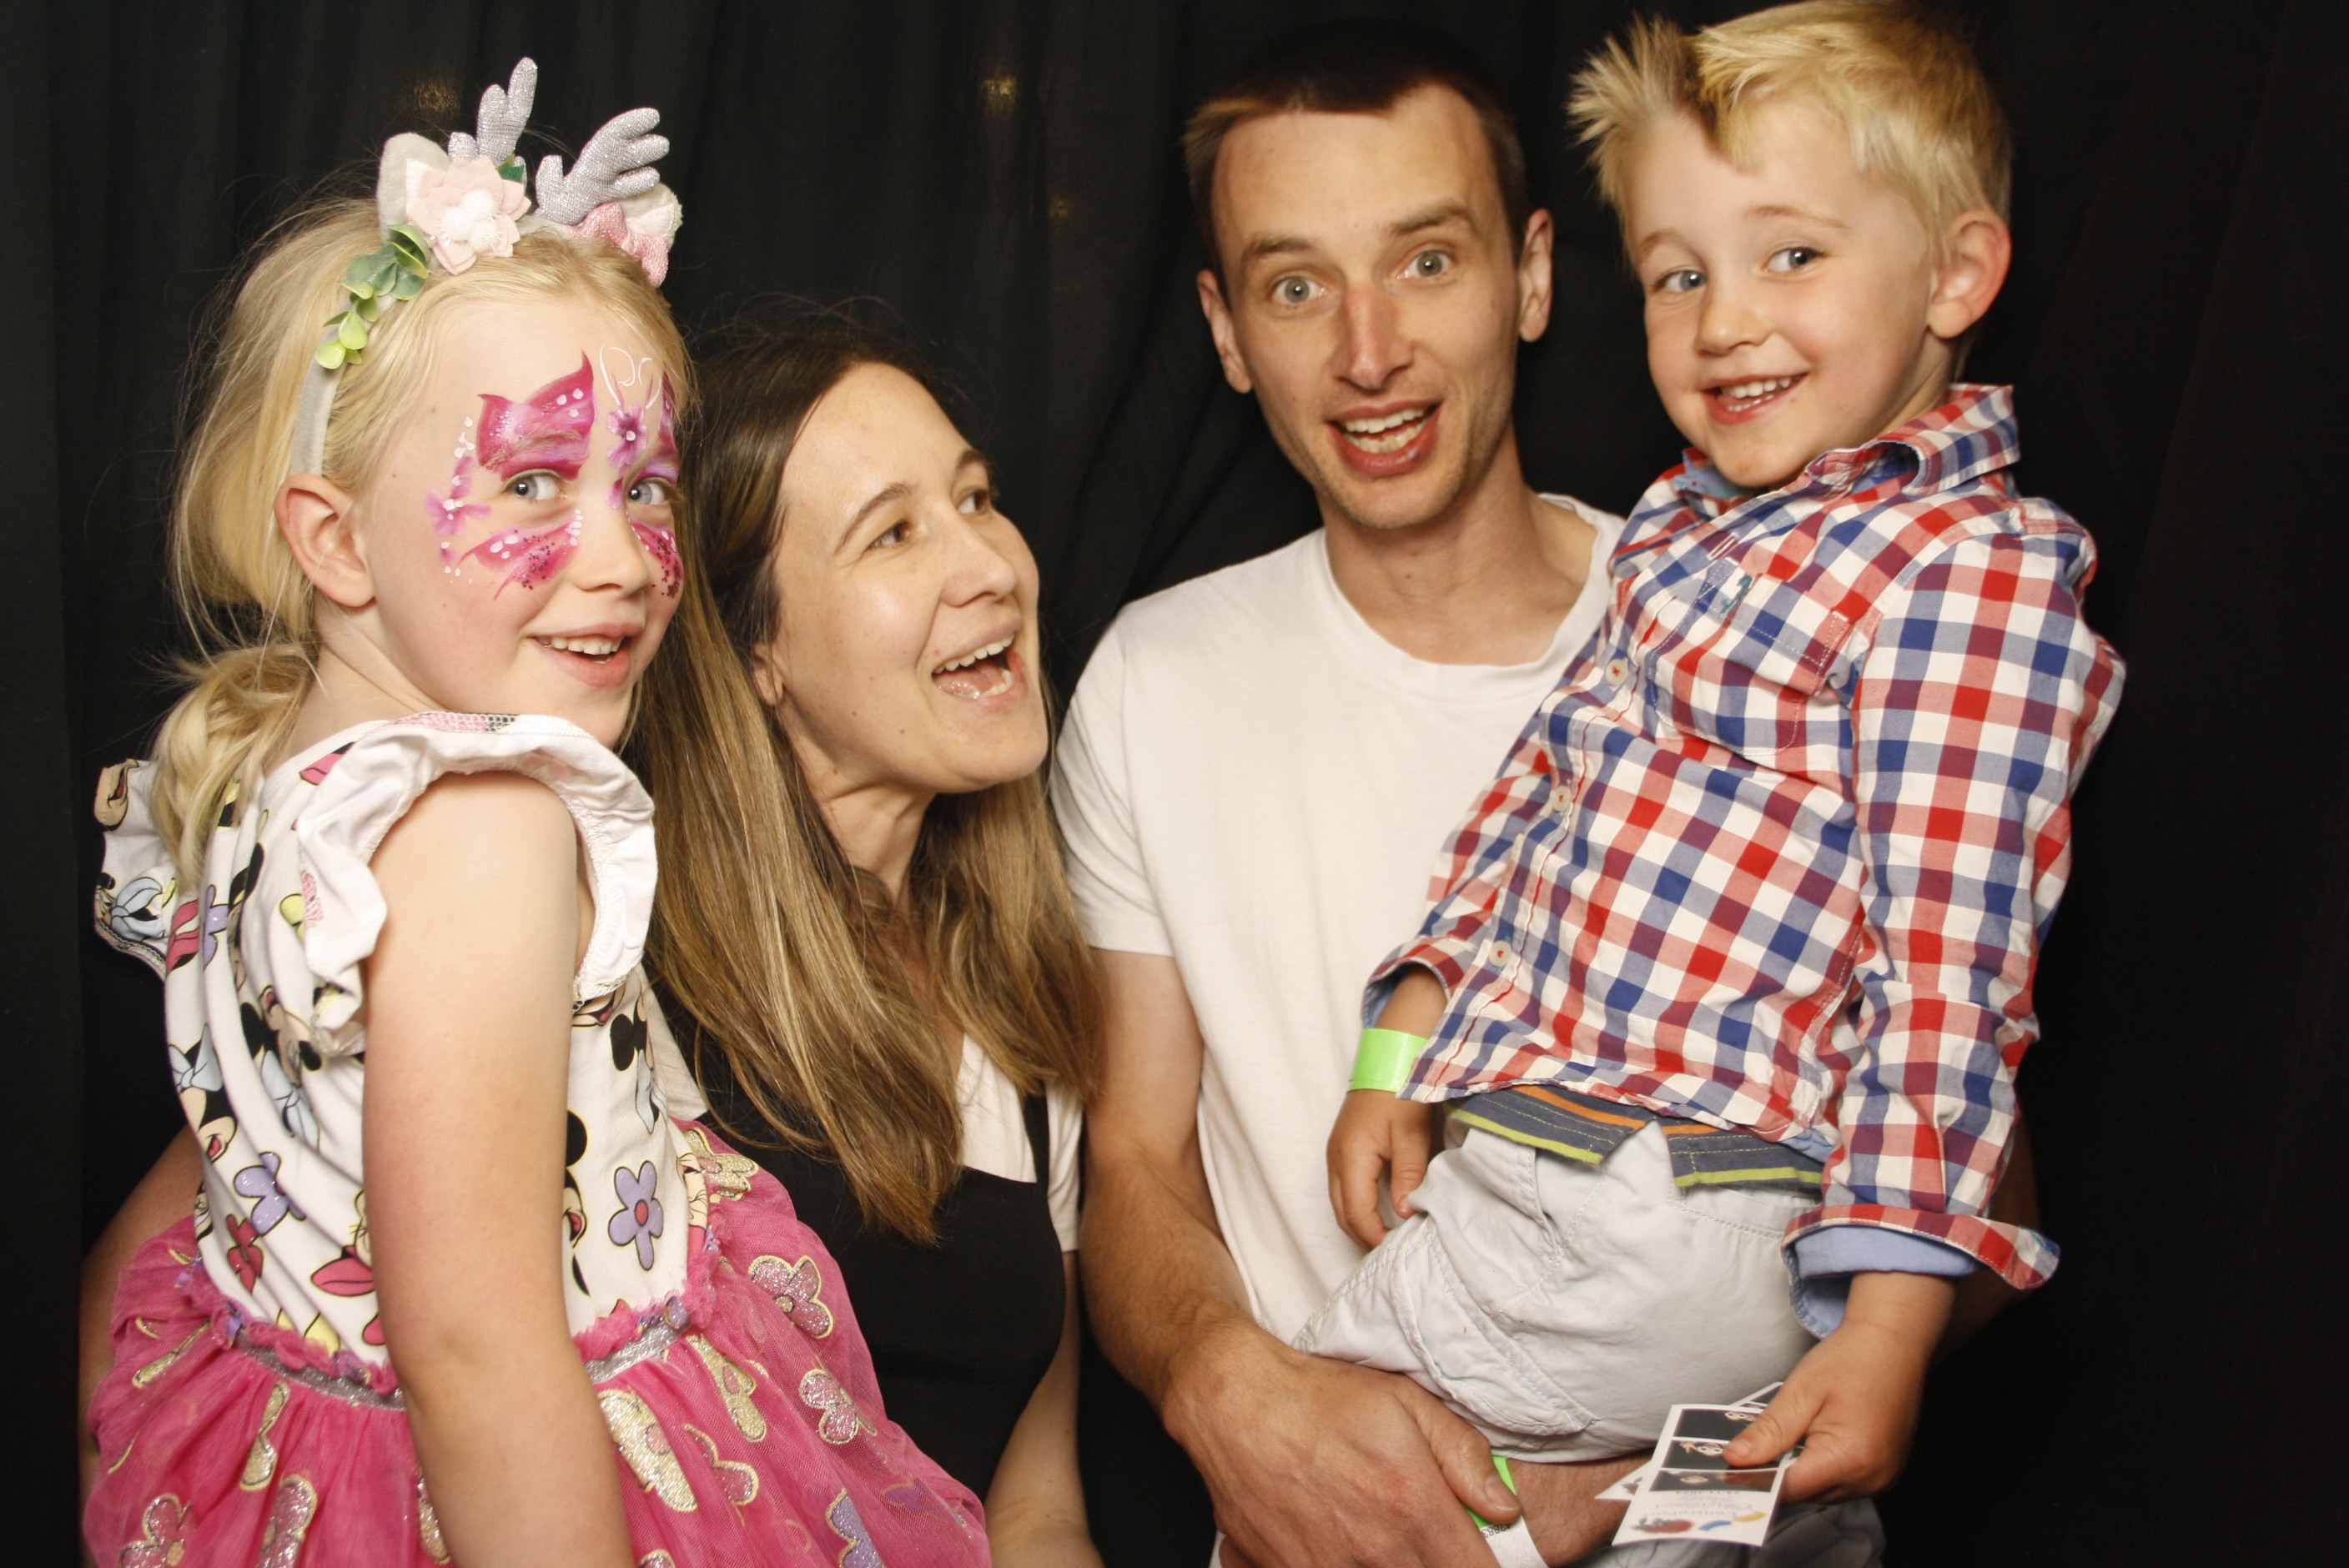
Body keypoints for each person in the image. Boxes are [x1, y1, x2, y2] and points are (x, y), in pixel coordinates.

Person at [78, 65, 987, 1568]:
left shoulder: (261, 780)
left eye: (646, 488)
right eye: (531, 482)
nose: (620, 559)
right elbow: (481, 1353)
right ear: (335, 542)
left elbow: (208, 1187)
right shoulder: (483, 826)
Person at [1311, 3, 2122, 1562]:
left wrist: (1888, 1326)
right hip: (1582, 1172)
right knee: (1685, 1527)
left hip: (1670, 1196)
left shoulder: (1969, 574)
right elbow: (1542, 790)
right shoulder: (1683, 533)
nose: (1725, 321)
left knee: (1318, 1476)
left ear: (1957, 274)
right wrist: (1399, 1043)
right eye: (1678, 274)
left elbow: (1948, 972)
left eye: (1791, 256)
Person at [1054, 25, 1642, 1566]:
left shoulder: (1731, 637)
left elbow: (1960, 1183)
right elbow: (1135, 1164)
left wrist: (1621, 1489)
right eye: (1297, 287)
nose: (1367, 353)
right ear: (1226, 329)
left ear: (1530, 275)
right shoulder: (1154, 683)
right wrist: (1223, 1385)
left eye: (1425, 263)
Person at [627, 319, 1104, 1567]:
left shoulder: (1014, 1004)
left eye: (976, 499)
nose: (991, 565)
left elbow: (1035, 1504)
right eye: (894, 533)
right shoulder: (618, 979)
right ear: (759, 651)